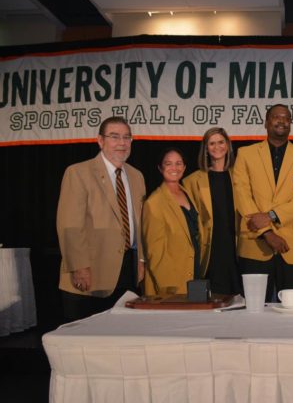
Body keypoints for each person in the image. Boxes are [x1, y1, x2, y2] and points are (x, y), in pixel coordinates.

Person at [57, 116, 145, 321]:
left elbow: (140, 223)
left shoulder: (137, 176)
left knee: (118, 340)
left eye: (127, 137)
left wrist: (141, 259)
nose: (122, 143)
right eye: (114, 137)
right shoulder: (78, 172)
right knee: (83, 343)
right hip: (89, 274)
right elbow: (69, 225)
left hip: (128, 273)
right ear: (100, 140)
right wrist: (79, 266)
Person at [232, 104, 293, 301]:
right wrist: (267, 233)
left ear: (290, 124)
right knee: (253, 311)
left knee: (291, 311)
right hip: (255, 244)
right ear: (266, 122)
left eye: (286, 118)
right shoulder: (246, 154)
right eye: (276, 117)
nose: (281, 121)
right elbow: (242, 194)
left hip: (292, 248)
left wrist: (271, 216)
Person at [183, 127, 241, 295]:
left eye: (221, 142)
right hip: (210, 249)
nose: (217, 147)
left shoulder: (240, 175)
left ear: (228, 145)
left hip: (237, 246)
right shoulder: (192, 181)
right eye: (212, 143)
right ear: (206, 148)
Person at [142, 148, 201, 295]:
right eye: (168, 164)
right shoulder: (154, 202)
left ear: (184, 167)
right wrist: (168, 287)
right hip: (171, 281)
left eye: (178, 163)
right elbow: (154, 252)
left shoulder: (187, 192)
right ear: (160, 168)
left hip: (194, 271)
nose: (174, 168)